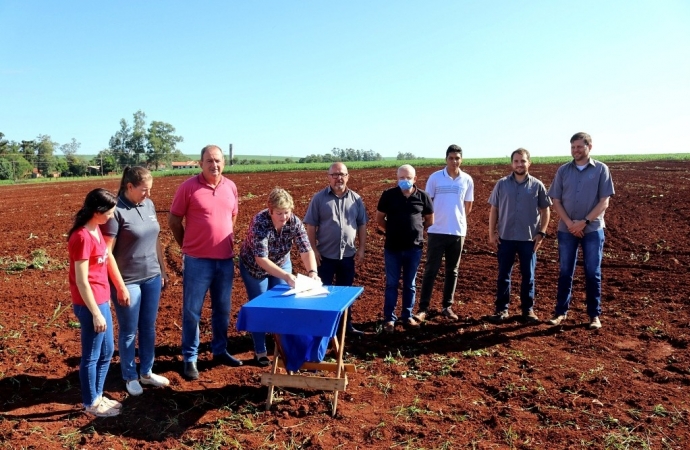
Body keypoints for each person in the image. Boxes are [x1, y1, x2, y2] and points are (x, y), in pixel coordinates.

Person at [168, 144, 241, 380]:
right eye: (209, 160)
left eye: (218, 160)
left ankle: (219, 350)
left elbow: (233, 217)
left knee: (222, 309)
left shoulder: (230, 187)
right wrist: (187, 247)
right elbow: (174, 220)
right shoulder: (188, 187)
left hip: (225, 261)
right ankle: (190, 357)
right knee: (192, 311)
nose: (214, 164)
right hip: (197, 261)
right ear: (201, 163)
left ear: (224, 163)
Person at [102, 166, 170, 396]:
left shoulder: (148, 205)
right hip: (128, 280)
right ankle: (130, 375)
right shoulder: (116, 211)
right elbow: (107, 253)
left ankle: (147, 372)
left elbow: (156, 239)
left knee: (148, 328)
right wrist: (120, 286)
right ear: (129, 186)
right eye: (144, 190)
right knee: (129, 331)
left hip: (152, 276)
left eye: (150, 189)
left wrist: (162, 269)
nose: (148, 194)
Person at [239, 188, 320, 366]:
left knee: (285, 303)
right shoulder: (260, 222)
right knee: (260, 305)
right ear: (270, 210)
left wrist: (312, 272)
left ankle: (284, 347)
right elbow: (261, 259)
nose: (284, 217)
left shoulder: (294, 222)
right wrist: (287, 276)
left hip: (282, 262)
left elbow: (306, 249)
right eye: (279, 213)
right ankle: (260, 350)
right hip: (255, 268)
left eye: (287, 212)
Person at [547, 132, 615, 329]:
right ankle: (560, 312)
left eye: (579, 147)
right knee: (565, 271)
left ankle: (594, 315)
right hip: (566, 229)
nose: (575, 151)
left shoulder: (601, 169)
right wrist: (570, 223)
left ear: (589, 147)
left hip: (592, 229)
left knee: (592, 272)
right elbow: (556, 201)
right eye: (573, 147)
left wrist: (583, 222)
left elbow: (604, 201)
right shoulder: (563, 171)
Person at [68, 188, 123, 417]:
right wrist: (96, 313)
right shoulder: (81, 237)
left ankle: (98, 396)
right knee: (91, 356)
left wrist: (106, 300)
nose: (111, 216)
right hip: (89, 305)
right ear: (97, 211)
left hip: (101, 300)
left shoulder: (96, 230)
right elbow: (82, 281)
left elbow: (100, 269)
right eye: (109, 212)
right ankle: (91, 403)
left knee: (107, 350)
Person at [486, 149, 552, 324]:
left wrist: (542, 233)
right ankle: (501, 310)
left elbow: (546, 211)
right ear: (511, 163)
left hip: (529, 239)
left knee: (528, 276)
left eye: (522, 161)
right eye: (516, 161)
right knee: (503, 275)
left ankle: (527, 311)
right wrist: (492, 233)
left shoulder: (537, 185)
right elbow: (494, 209)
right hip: (506, 238)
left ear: (529, 163)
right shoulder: (501, 184)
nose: (519, 164)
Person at [303, 162, 369, 336]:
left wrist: (361, 249)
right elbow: (311, 226)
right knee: (321, 292)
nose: (338, 178)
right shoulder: (319, 198)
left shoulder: (356, 199)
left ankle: (346, 327)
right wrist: (314, 251)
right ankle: (321, 328)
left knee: (345, 293)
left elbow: (362, 225)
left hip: (348, 255)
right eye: (335, 174)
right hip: (324, 256)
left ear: (347, 176)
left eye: (342, 174)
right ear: (328, 177)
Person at [414, 145, 474, 322]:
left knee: (452, 271)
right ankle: (423, 308)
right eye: (451, 158)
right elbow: (428, 203)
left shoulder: (467, 180)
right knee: (430, 270)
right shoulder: (435, 178)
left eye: (457, 158)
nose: (454, 161)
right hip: (437, 231)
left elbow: (467, 206)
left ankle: (447, 306)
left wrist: (456, 219)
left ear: (461, 159)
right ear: (446, 159)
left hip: (457, 231)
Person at [376, 165, 434, 333]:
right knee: (392, 284)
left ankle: (407, 316)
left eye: (408, 178)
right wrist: (392, 230)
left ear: (415, 179)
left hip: (414, 248)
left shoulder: (423, 196)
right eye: (401, 178)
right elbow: (380, 219)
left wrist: (417, 230)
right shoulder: (388, 195)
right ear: (397, 178)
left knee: (410, 284)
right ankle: (389, 319)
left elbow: (429, 219)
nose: (404, 181)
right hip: (392, 248)